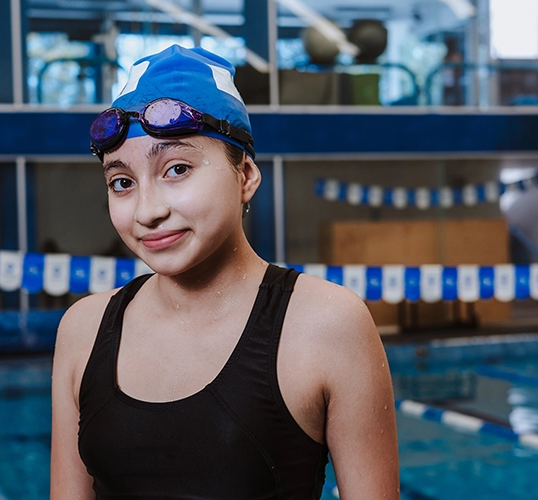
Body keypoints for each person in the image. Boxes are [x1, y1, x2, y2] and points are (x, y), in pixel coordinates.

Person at [51, 45, 399, 499]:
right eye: (122, 182)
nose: (147, 211)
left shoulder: (327, 324)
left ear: (247, 176)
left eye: (177, 169)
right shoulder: (84, 329)